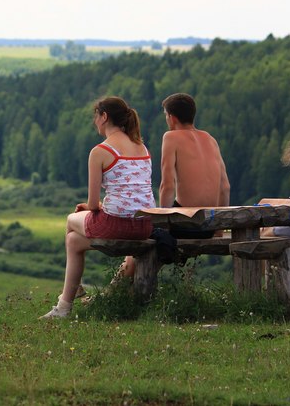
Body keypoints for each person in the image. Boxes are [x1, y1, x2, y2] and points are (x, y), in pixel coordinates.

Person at [40, 96, 156, 319]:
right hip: (144, 225)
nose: (95, 122)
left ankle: (70, 298)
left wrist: (95, 207)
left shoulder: (100, 151)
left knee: (70, 220)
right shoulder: (142, 146)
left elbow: (92, 204)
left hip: (116, 225)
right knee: (73, 241)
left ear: (104, 117)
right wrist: (103, 206)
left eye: (96, 116)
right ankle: (67, 301)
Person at [119, 92, 231, 277]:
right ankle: (123, 289)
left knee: (142, 230)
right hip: (208, 225)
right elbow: (225, 186)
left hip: (185, 223)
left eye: (165, 115)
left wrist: (163, 223)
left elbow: (167, 185)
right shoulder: (210, 139)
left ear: (172, 117)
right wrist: (218, 228)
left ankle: (117, 288)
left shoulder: (171, 137)